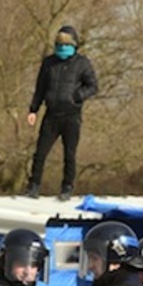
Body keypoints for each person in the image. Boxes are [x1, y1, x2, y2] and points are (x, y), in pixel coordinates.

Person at [24, 25, 98, 201]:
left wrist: (77, 96)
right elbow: (40, 88)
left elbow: (93, 86)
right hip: (51, 114)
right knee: (40, 153)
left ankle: (67, 187)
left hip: (71, 115)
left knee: (69, 154)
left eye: (66, 45)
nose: (62, 48)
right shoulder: (49, 63)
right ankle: (33, 185)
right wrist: (33, 109)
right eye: (59, 44)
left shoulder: (82, 63)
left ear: (74, 45)